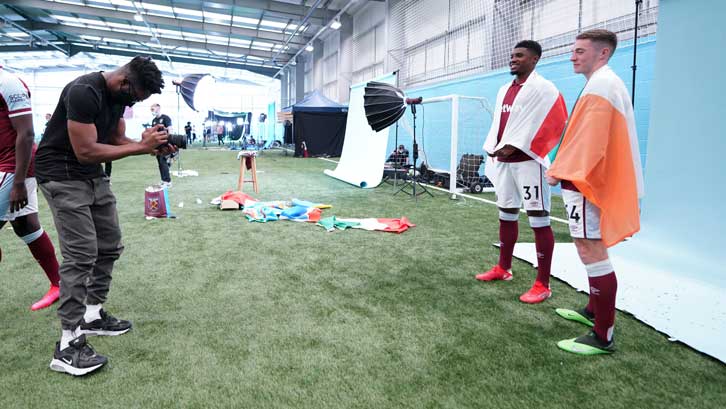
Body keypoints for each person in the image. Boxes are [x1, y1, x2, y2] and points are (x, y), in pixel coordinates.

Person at [35, 55, 172, 376]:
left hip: (90, 174)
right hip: (61, 174)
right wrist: (140, 148)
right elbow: (86, 150)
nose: (135, 103)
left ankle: (92, 315)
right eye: (136, 96)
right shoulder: (84, 90)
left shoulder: (118, 98)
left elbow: (114, 140)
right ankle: (68, 344)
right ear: (125, 83)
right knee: (81, 253)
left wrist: (150, 145)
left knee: (109, 245)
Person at [546, 29, 644, 355]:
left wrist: (559, 170)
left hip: (586, 183)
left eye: (579, 51)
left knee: (591, 250)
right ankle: (593, 311)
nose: (572, 56)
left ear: (602, 53)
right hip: (584, 181)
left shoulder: (603, 83)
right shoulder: (603, 82)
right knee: (587, 246)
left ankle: (603, 336)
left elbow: (591, 141)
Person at [476, 40, 568, 304]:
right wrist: (494, 146)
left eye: (520, 56)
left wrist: (518, 145)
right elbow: (501, 123)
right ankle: (503, 268)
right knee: (506, 215)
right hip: (504, 162)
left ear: (535, 59)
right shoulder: (505, 88)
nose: (513, 59)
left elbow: (555, 120)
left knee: (538, 219)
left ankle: (543, 284)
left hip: (528, 162)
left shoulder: (544, 88)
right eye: (512, 55)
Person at [0, 66, 61, 311]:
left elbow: (26, 134)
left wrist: (18, 183)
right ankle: (59, 285)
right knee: (26, 225)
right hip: (6, 166)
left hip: (14, 166)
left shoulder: (8, 82)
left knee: (26, 225)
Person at [151, 103, 173, 187]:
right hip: (157, 144)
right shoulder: (153, 121)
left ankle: (168, 181)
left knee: (163, 161)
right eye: (151, 110)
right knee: (160, 162)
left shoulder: (165, 118)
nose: (152, 111)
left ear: (158, 109)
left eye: (153, 109)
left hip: (164, 143)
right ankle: (163, 180)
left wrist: (170, 142)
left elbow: (170, 130)